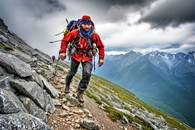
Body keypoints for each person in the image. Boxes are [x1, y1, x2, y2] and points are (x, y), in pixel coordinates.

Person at [59, 15, 105, 103]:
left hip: (87, 56)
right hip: (76, 54)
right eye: (85, 24)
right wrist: (62, 52)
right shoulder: (75, 32)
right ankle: (67, 85)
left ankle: (80, 92)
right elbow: (65, 40)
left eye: (89, 24)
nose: (87, 26)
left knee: (87, 74)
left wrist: (101, 58)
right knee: (72, 72)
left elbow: (101, 46)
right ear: (81, 24)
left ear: (91, 25)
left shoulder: (94, 35)